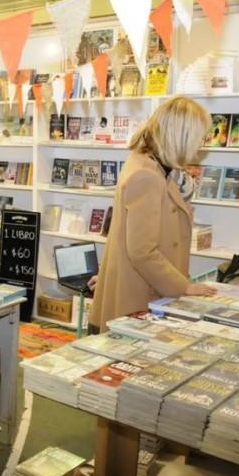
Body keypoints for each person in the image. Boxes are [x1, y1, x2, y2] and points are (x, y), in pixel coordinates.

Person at [89, 97, 217, 333]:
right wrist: (184, 287)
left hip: (145, 287)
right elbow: (142, 251)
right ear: (181, 136)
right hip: (141, 295)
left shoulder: (151, 164)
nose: (203, 142)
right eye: (200, 135)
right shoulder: (147, 175)